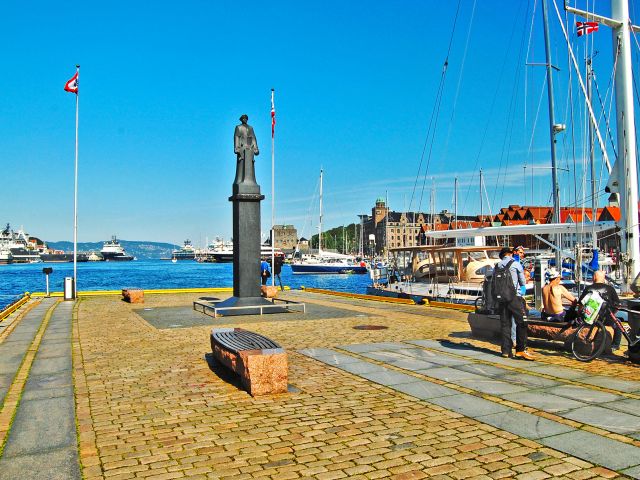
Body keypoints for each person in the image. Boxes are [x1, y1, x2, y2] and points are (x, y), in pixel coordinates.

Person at [494, 246, 535, 360]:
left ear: (502, 255)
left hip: (502, 299)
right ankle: (521, 350)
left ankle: (505, 351)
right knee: (522, 322)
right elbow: (522, 282)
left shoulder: (497, 266)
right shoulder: (515, 264)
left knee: (505, 325)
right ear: (510, 254)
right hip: (514, 298)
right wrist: (522, 292)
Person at [578, 270, 622, 350]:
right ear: (604, 278)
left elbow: (581, 305)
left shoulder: (588, 288)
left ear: (594, 278)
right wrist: (612, 314)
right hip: (606, 318)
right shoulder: (610, 289)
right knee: (618, 323)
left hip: (590, 317)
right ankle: (615, 345)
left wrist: (580, 315)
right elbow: (618, 305)